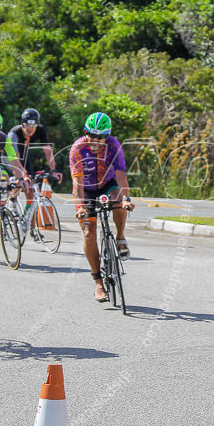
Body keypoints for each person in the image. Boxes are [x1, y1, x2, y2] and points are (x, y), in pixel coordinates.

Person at [71, 112, 135, 302]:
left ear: (106, 136)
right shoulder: (77, 149)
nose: (96, 140)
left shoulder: (114, 145)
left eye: (100, 137)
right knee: (89, 232)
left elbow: (121, 176)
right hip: (87, 190)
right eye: (92, 135)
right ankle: (98, 282)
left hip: (108, 184)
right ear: (85, 132)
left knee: (119, 199)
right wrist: (80, 206)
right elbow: (77, 184)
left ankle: (120, 236)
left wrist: (126, 198)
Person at [7, 107, 61, 205]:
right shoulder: (14, 133)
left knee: (30, 188)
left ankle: (28, 218)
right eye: (27, 124)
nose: (30, 128)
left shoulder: (40, 130)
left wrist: (53, 170)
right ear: (22, 123)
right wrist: (23, 175)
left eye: (33, 125)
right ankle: (12, 203)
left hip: (24, 154)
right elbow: (15, 157)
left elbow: (48, 152)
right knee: (20, 180)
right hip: (10, 157)